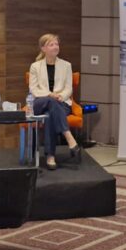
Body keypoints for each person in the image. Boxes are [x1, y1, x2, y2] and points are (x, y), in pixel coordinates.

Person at [28, 33, 80, 171]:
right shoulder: (35, 66)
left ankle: (50, 156)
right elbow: (33, 89)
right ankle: (69, 137)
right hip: (40, 101)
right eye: (52, 44)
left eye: (57, 44)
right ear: (43, 48)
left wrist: (60, 96)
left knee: (51, 114)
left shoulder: (66, 65)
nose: (56, 47)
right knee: (50, 102)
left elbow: (68, 88)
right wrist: (50, 95)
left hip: (61, 102)